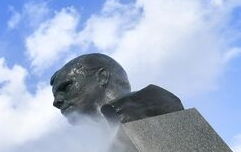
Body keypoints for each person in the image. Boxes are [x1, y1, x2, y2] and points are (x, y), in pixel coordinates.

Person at [51, 53, 182, 125]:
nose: (56, 102)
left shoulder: (153, 100)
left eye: (66, 87)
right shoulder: (104, 139)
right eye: (55, 95)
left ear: (102, 77)